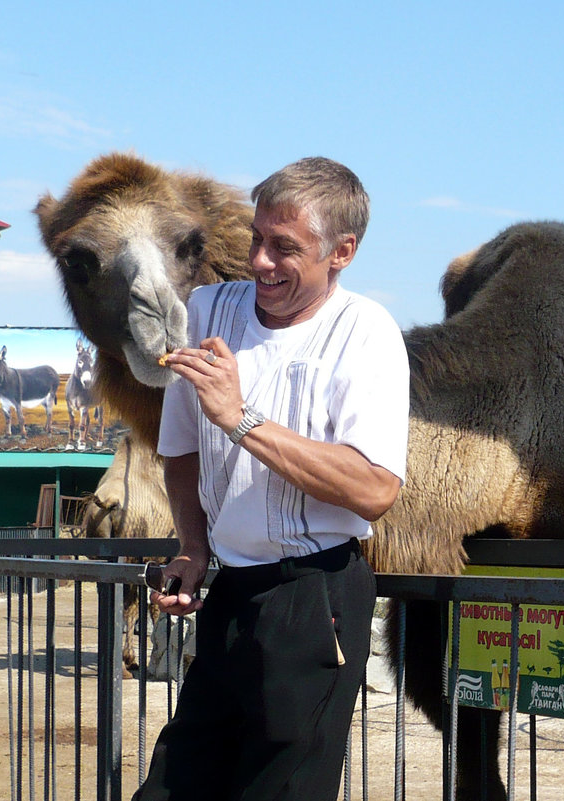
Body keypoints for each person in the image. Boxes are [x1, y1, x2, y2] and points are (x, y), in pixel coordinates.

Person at [137, 157, 410, 801]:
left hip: (315, 600)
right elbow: (179, 449)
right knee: (173, 787)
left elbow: (374, 488)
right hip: (229, 594)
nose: (260, 261)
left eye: (285, 248)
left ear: (342, 252)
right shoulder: (206, 309)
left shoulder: (367, 333)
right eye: (258, 239)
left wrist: (241, 418)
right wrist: (193, 548)